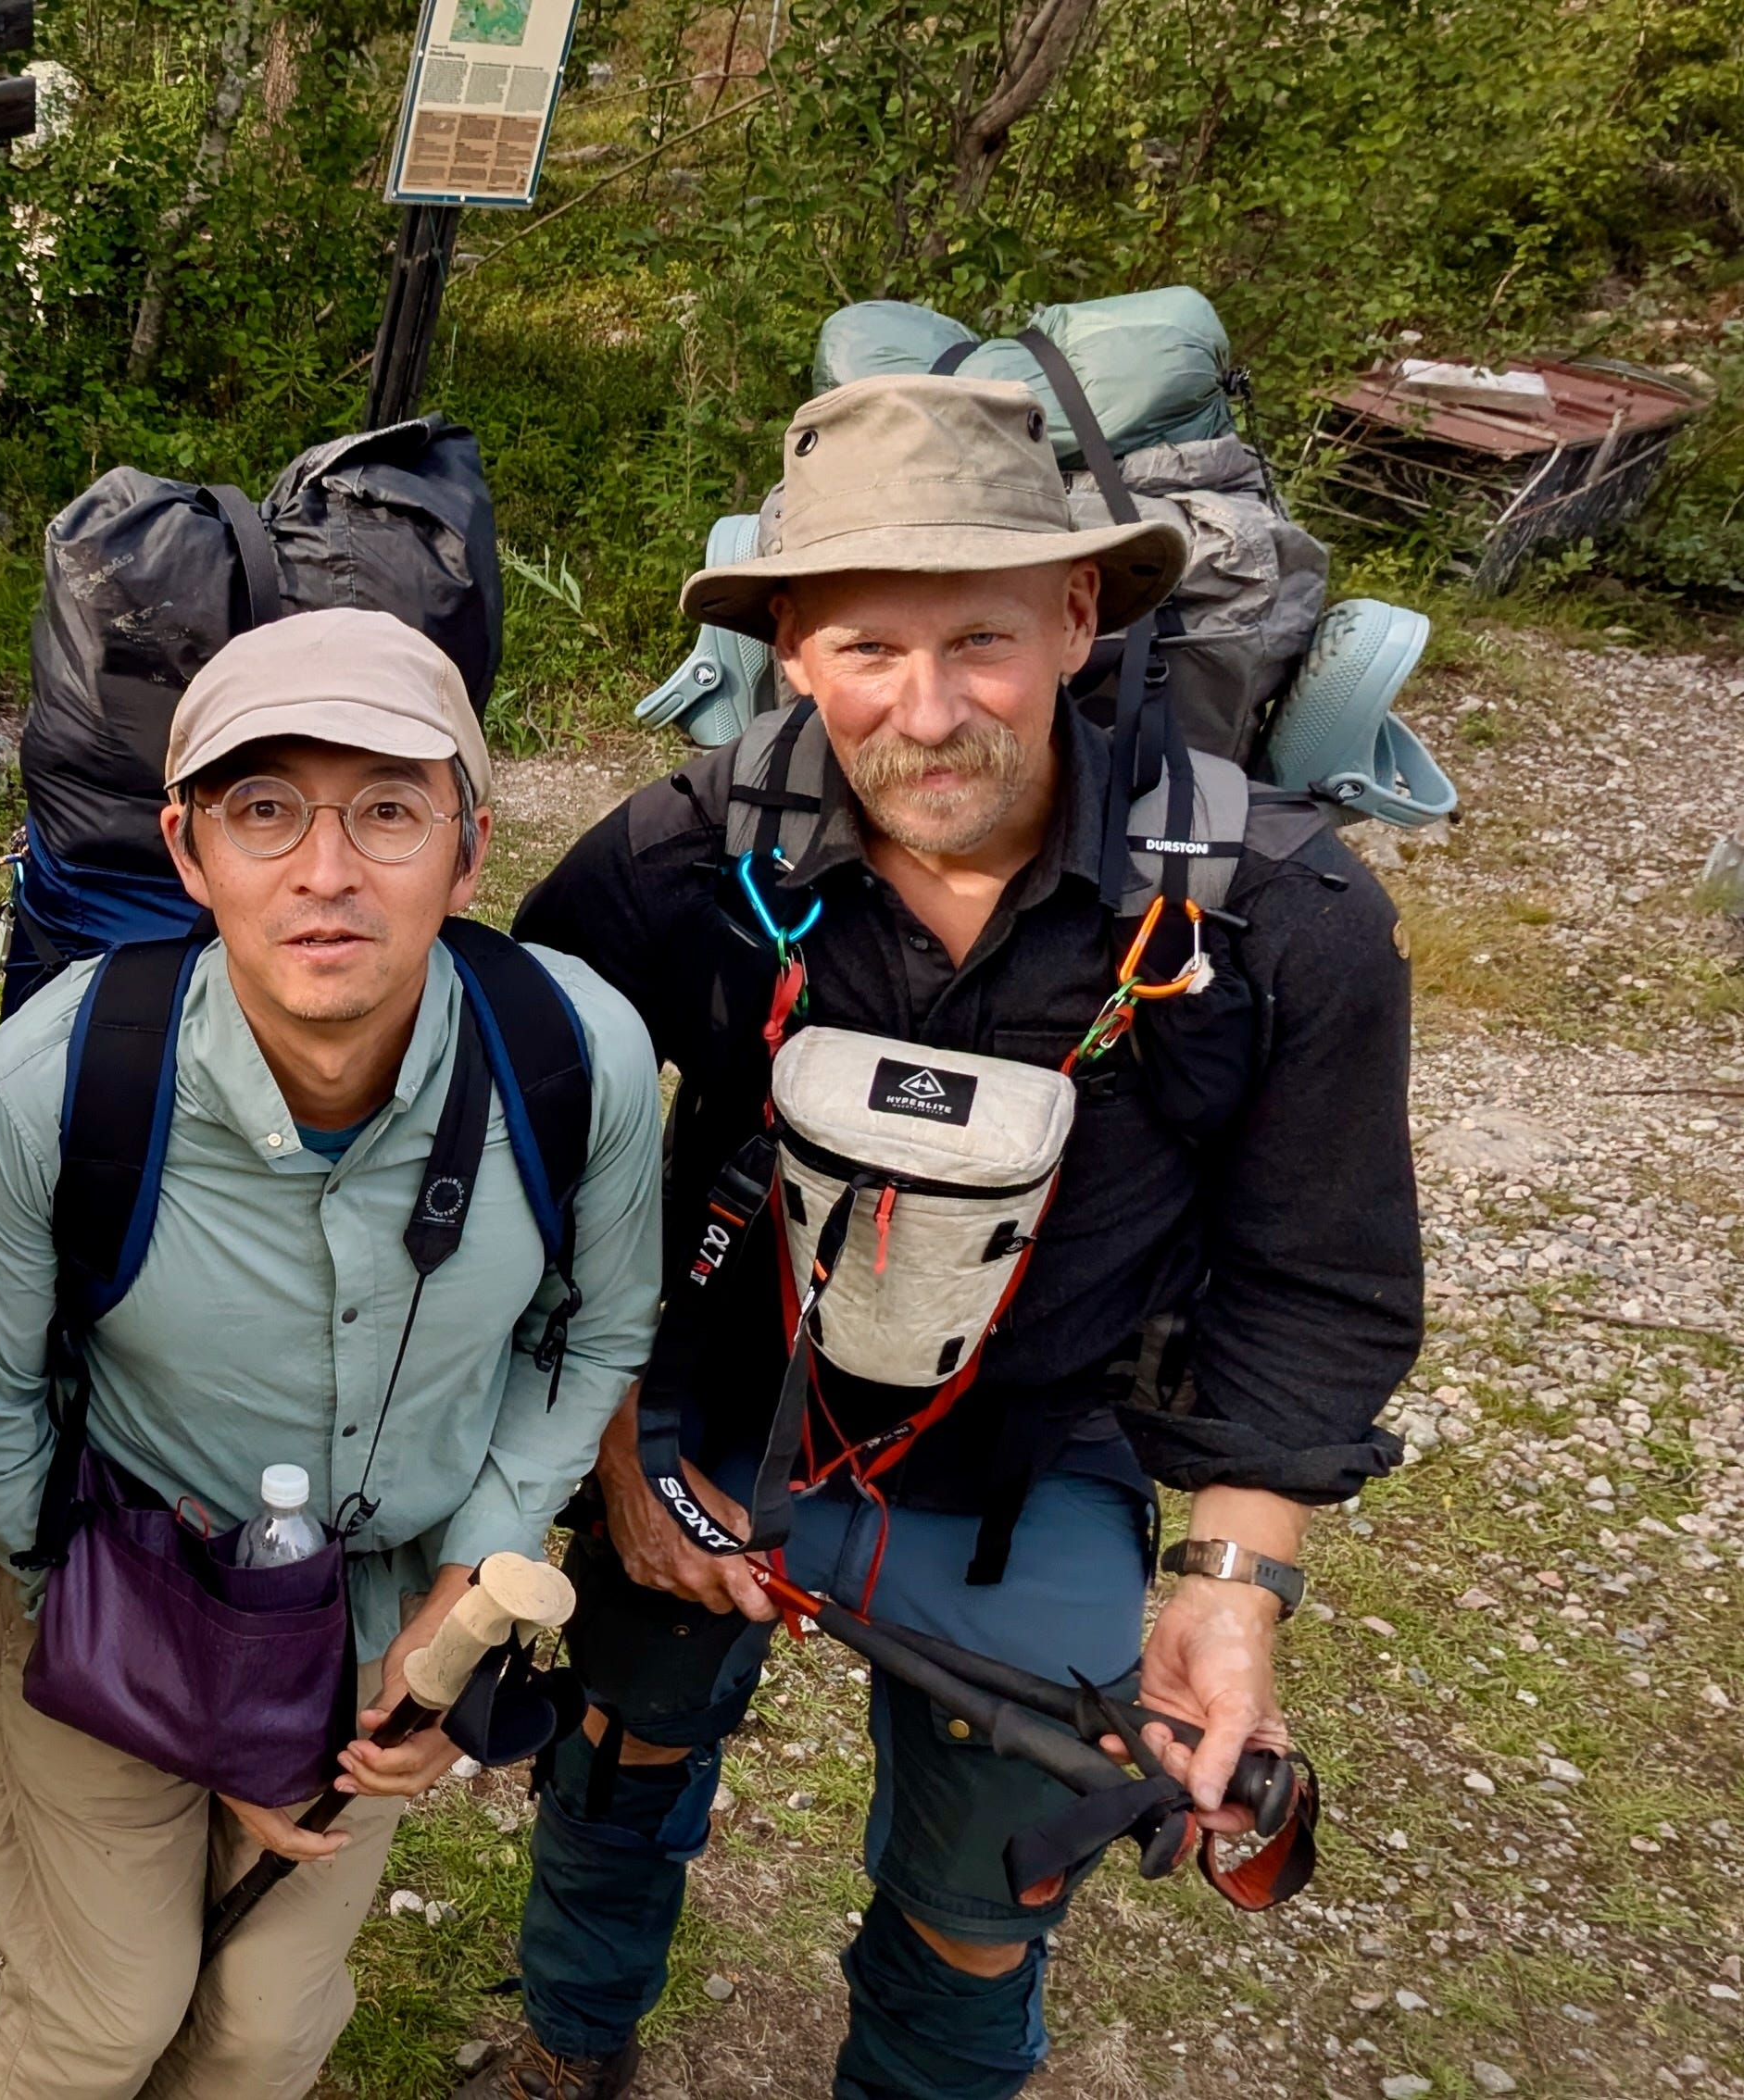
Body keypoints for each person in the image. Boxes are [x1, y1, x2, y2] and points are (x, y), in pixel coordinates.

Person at [486, 378, 1421, 2099]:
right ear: (790, 651)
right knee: (617, 1759)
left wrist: (1232, 1588)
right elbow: (534, 1159)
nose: (927, 713)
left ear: (1077, 618)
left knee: (984, 1900)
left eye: (981, 640)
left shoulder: (1279, 916)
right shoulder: (679, 862)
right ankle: (569, 2048)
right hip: (717, 1412)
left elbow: (1315, 1275)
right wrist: (617, 1446)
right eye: (867, 648)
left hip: (1045, 1455)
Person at [0, 609, 667, 2100]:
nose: (327, 871)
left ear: (469, 851)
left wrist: (479, 1563)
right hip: (112, 1587)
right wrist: (204, 1699)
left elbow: (596, 1332)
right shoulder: (46, 1095)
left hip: (389, 1619)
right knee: (105, 2018)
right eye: (265, 811)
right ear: (188, 852)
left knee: (263, 2027)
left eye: (388, 811)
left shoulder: (579, 1062)